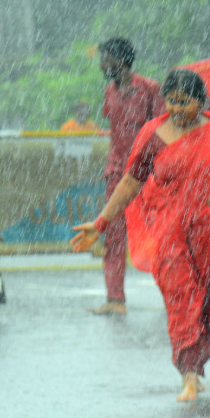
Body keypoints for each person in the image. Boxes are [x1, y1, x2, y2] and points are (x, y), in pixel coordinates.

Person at [72, 70, 210, 401]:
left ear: (201, 101)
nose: (177, 109)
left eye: (185, 102)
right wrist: (100, 222)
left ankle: (196, 366)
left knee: (206, 305)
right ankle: (188, 374)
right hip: (170, 233)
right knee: (181, 298)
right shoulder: (153, 134)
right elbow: (130, 182)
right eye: (171, 101)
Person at [93, 37, 162, 316]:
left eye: (105, 59)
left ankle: (178, 294)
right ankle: (115, 299)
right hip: (117, 174)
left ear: (121, 61)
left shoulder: (149, 89)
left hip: (146, 175)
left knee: (162, 236)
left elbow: (160, 129)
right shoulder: (109, 90)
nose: (101, 65)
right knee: (113, 236)